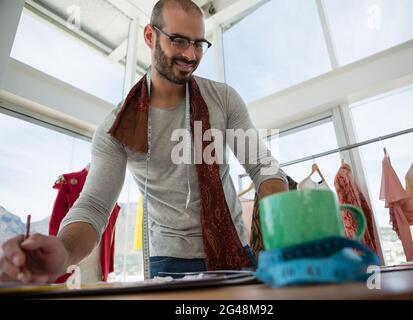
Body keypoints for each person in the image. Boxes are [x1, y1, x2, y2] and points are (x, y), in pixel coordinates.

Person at [0, 0, 287, 283]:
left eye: (199, 44)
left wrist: (283, 231)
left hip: (236, 249)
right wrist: (62, 252)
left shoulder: (223, 100)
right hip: (169, 262)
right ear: (150, 36)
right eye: (178, 40)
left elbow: (264, 169)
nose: (190, 54)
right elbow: (94, 207)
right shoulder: (116, 129)